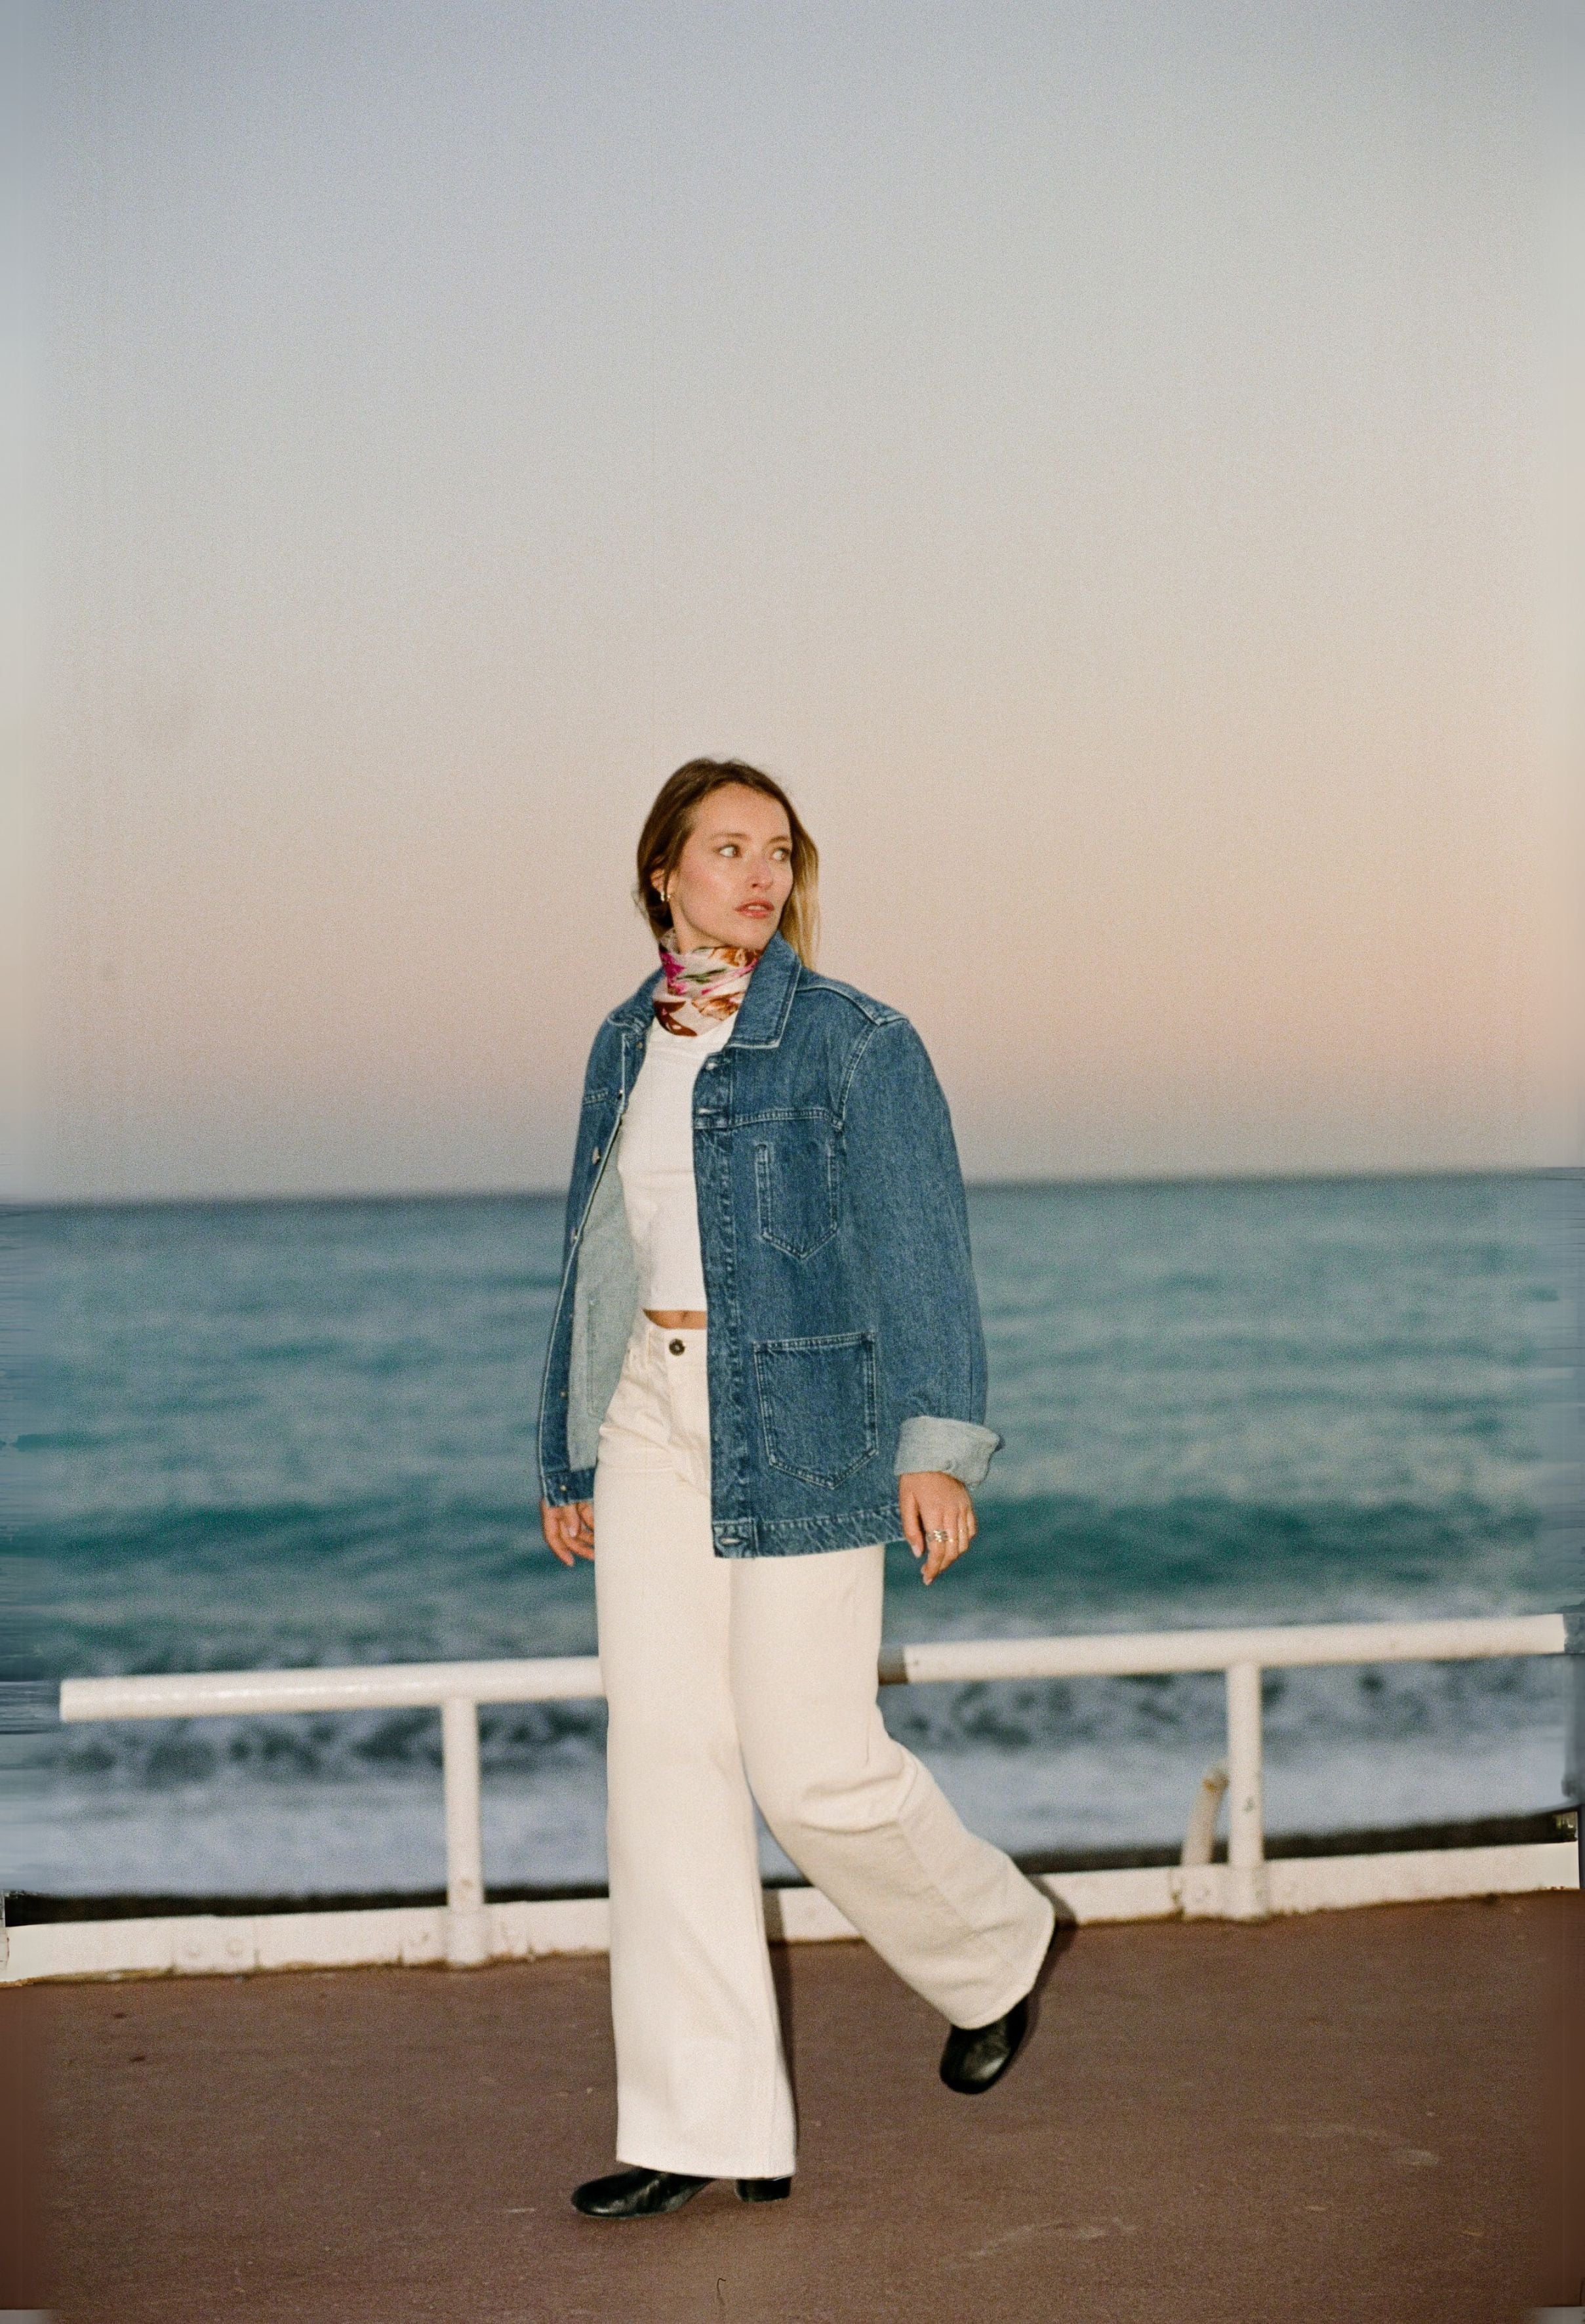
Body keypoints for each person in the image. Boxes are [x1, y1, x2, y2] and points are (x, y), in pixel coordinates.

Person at [537, 757, 1055, 2220]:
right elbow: (593, 1256)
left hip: (809, 1417)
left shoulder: (854, 1043)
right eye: (726, 848)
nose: (759, 875)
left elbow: (923, 1246)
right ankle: (705, 2127)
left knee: (810, 1759)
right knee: (666, 1768)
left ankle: (994, 1944)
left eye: (779, 850)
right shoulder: (619, 1045)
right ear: (664, 875)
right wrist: (565, 1447)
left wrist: (936, 1445)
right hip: (647, 1413)